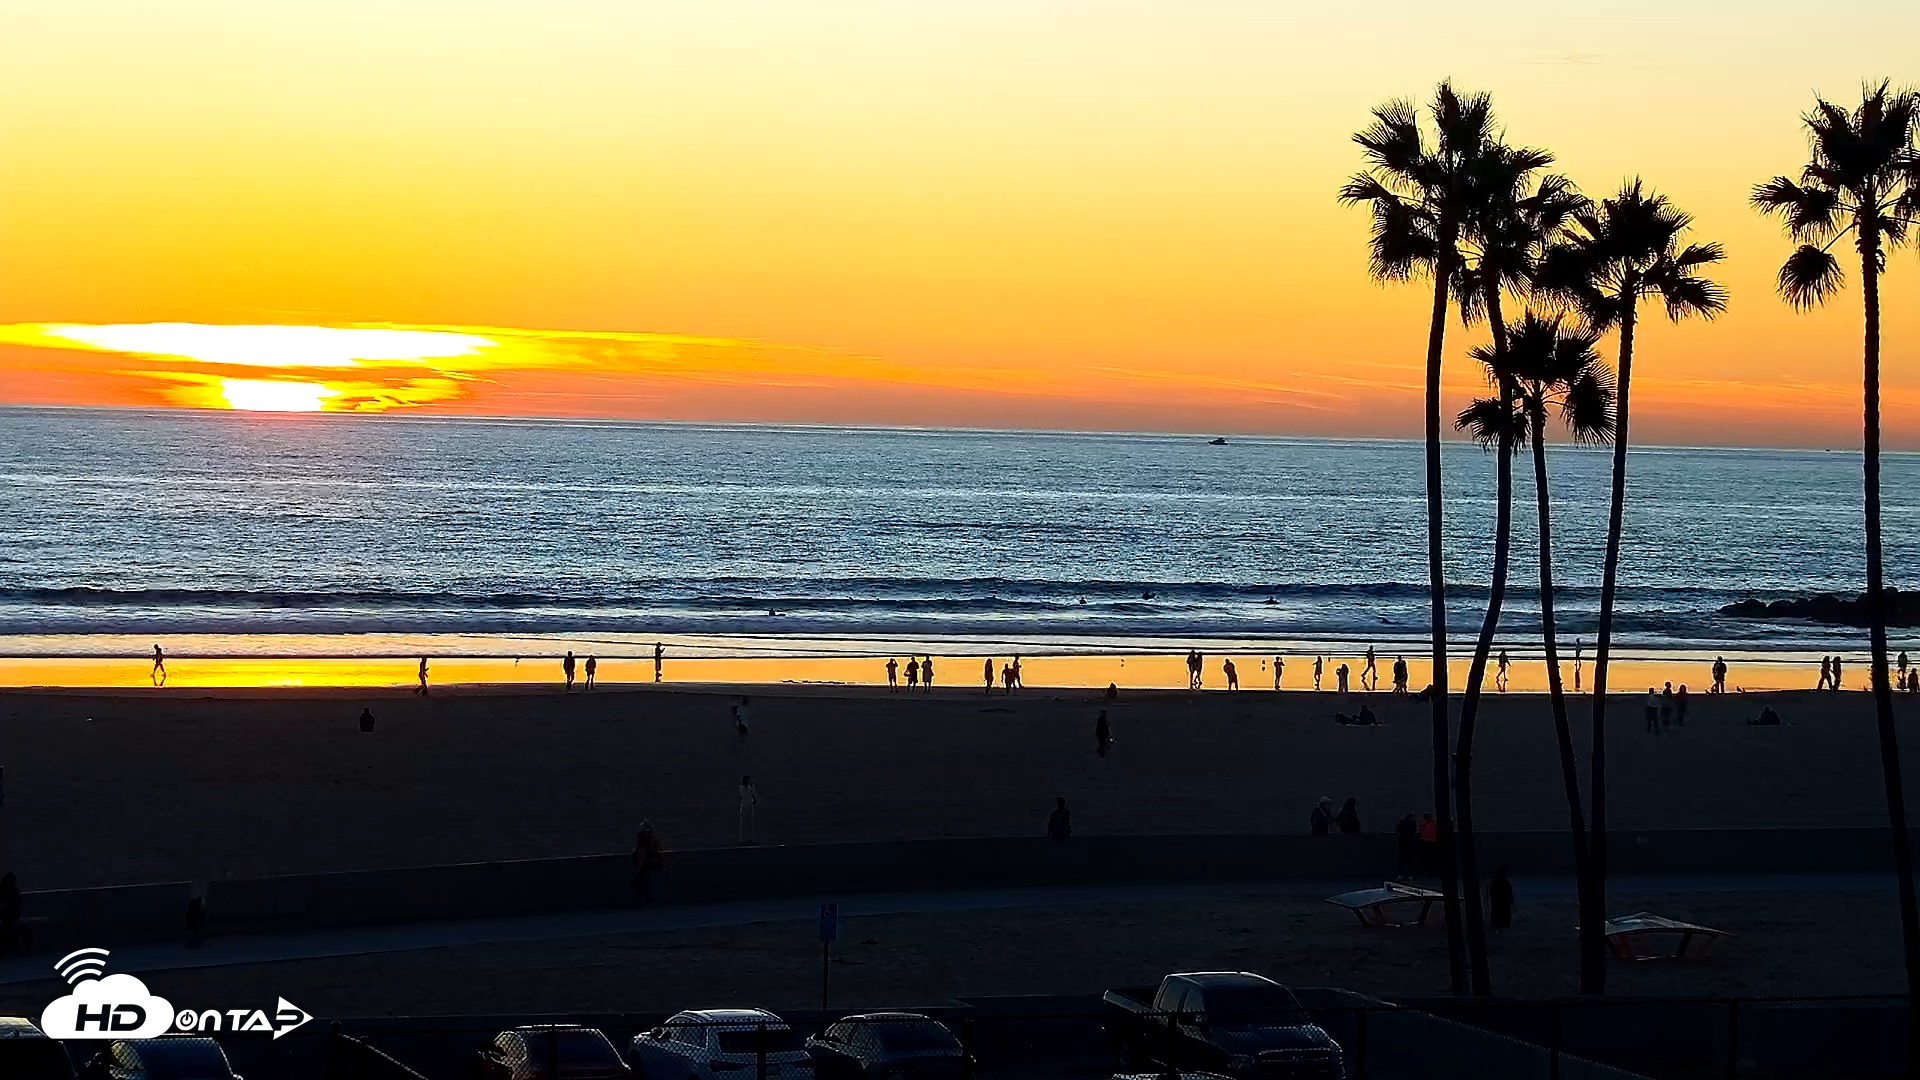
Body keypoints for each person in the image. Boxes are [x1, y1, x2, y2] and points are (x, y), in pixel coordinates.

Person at [631, 822, 663, 903]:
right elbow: (658, 849)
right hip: (651, 862)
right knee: (644, 883)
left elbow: (642, 852)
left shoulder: (643, 838)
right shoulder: (652, 837)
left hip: (645, 863)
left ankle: (646, 900)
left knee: (639, 883)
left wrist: (639, 865)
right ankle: (647, 900)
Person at [0, 872, 20, 958]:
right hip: (11, 915)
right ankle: (21, 952)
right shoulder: (14, 891)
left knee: (7, 931)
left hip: (8, 915)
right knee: (15, 933)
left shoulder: (6, 890)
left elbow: (4, 904)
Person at [1394, 813, 1419, 880]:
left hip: (1402, 842)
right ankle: (1410, 874)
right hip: (1410, 843)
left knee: (1402, 859)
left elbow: (1397, 830)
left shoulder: (1402, 822)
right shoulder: (1413, 822)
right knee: (1410, 859)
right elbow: (1414, 831)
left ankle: (1400, 874)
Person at [1489, 867, 1514, 931]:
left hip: (1501, 905)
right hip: (1501, 905)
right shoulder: (1504, 882)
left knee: (1500, 924)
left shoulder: (1498, 882)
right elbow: (1510, 893)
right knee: (1502, 923)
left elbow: (1510, 893)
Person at [737, 775, 759, 845]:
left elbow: (754, 795)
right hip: (744, 806)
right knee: (744, 823)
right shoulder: (742, 788)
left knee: (750, 823)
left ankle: (750, 838)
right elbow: (745, 796)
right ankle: (743, 839)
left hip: (750, 805)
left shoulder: (749, 787)